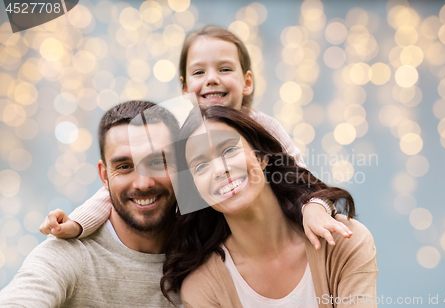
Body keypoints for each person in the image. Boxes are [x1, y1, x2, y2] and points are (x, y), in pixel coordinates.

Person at [40, 26, 352, 249]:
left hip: (261, 237)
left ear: (246, 82)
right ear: (185, 86)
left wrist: (315, 207)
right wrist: (79, 223)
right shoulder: (176, 124)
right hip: (204, 242)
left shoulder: (262, 127)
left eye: (225, 68)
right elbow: (121, 184)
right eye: (199, 72)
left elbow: (301, 179)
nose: (212, 78)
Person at [161, 105, 378, 308]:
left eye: (228, 151)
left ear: (261, 157)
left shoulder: (343, 242)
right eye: (200, 166)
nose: (220, 169)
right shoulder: (203, 288)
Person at [0, 101, 182, 307]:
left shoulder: (207, 247)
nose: (143, 183)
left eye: (157, 162)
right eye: (124, 166)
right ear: (104, 176)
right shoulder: (69, 255)